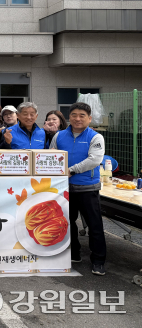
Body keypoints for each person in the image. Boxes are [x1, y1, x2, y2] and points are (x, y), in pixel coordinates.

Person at [49, 102, 106, 276]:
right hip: (64, 187)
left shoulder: (95, 137)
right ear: (69, 117)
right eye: (74, 115)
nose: (77, 118)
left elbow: (94, 160)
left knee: (94, 225)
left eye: (82, 115)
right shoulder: (59, 136)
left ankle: (98, 261)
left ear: (89, 118)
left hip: (87, 187)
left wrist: (71, 170)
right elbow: (51, 155)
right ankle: (74, 253)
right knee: (67, 222)